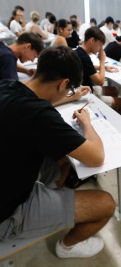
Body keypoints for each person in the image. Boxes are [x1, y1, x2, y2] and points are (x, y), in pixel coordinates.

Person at [0, 45, 115, 258]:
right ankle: (67, 247)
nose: (68, 93)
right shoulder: (38, 115)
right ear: (63, 83)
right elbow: (97, 157)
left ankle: (53, 199)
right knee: (107, 204)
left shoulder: (8, 85)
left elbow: (38, 101)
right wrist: (87, 123)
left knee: (62, 158)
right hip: (8, 212)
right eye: (69, 89)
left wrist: (70, 98)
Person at [75, 27, 121, 114]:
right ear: (92, 40)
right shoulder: (84, 57)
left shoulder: (79, 51)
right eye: (100, 45)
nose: (101, 48)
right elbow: (100, 81)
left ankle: (110, 111)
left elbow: (88, 67)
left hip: (86, 87)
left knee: (115, 90)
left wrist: (104, 67)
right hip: (88, 94)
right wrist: (102, 61)